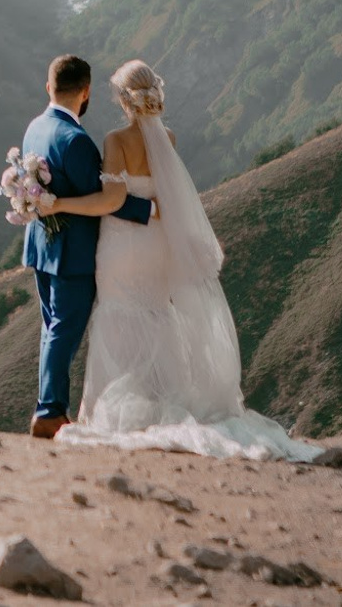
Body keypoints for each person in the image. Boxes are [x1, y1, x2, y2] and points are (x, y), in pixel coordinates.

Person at [54, 60, 326, 461]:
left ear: (121, 99)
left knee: (118, 315)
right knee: (158, 316)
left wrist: (60, 204)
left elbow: (112, 201)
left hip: (123, 248)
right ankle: (163, 399)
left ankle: (123, 409)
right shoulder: (169, 138)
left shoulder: (116, 140)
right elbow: (168, 202)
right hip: (157, 248)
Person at [20, 53, 153, 439]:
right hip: (71, 253)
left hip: (41, 246)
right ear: (86, 92)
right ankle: (49, 412)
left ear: (49, 87)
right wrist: (151, 207)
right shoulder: (75, 140)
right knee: (63, 330)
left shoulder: (35, 127)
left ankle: (51, 407)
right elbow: (103, 196)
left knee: (52, 328)